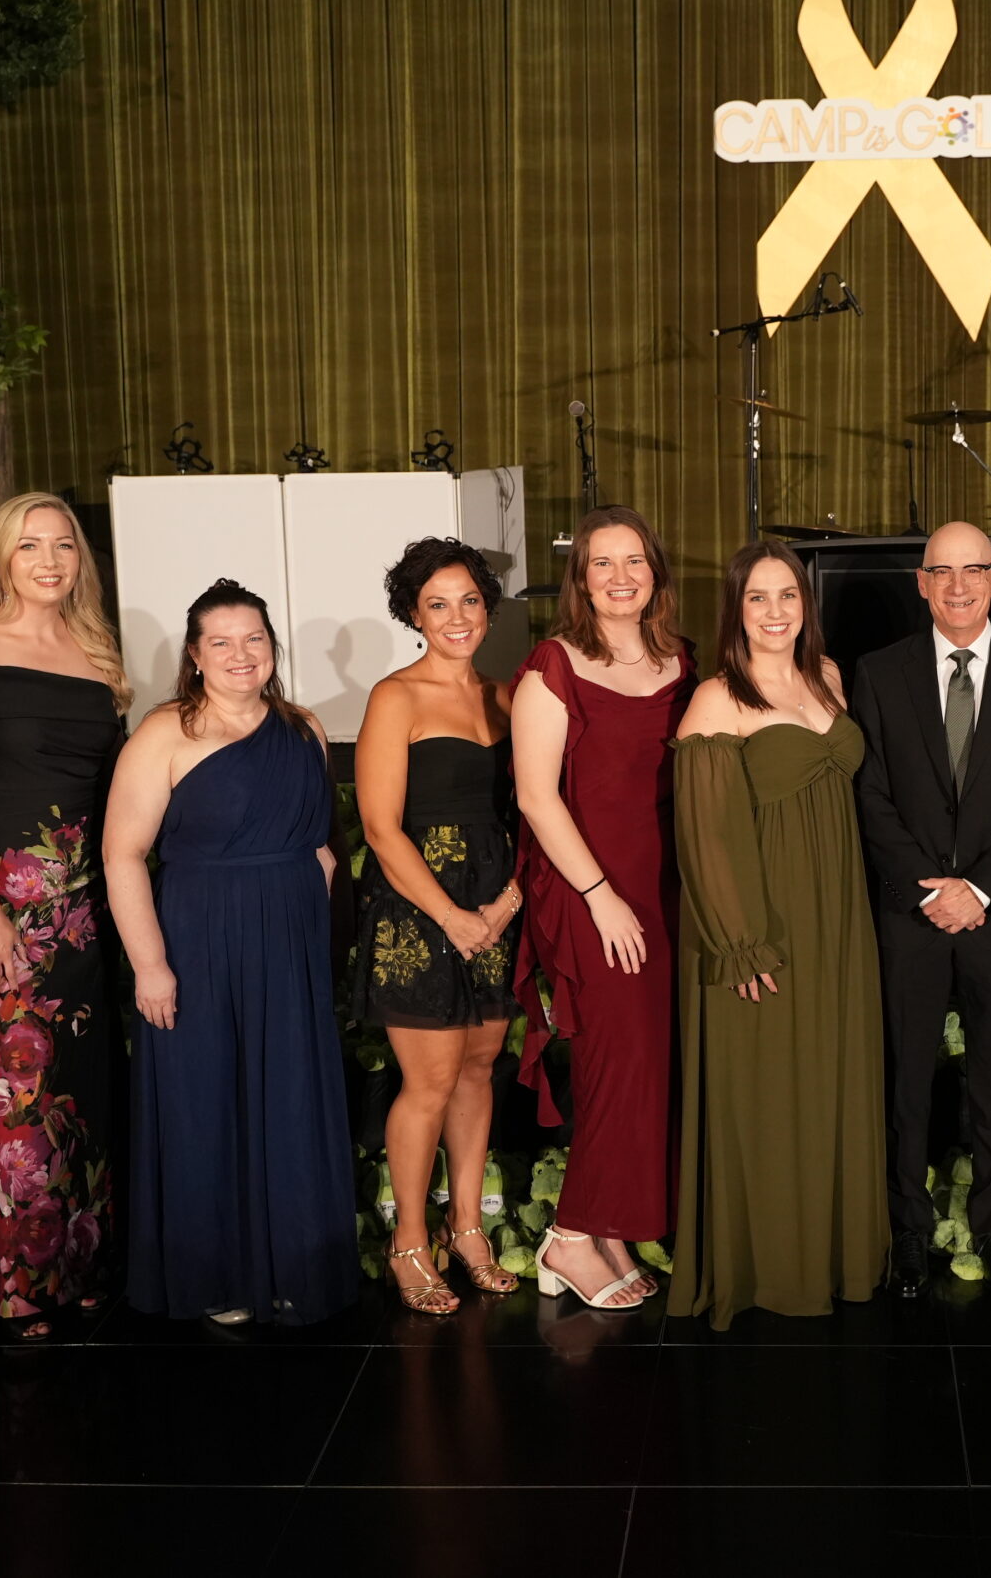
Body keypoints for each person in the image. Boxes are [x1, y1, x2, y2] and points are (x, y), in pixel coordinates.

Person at [103, 578, 356, 1327]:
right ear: (194, 654)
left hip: (289, 944)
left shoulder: (303, 726)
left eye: (254, 639)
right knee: (203, 1101)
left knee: (289, 1096)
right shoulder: (164, 733)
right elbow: (122, 854)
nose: (241, 655)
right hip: (199, 939)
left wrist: (316, 913)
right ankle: (216, 1274)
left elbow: (322, 840)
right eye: (222, 642)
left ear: (272, 647)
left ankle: (290, 1267)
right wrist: (151, 963)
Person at [0, 492, 129, 1337]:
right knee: (18, 1095)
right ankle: (21, 1287)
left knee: (79, 1091)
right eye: (29, 546)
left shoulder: (93, 650)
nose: (48, 561)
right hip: (5, 907)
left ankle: (82, 1262)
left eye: (64, 546)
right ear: (0, 559)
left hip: (86, 910)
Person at [670, 541, 887, 1329]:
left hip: (837, 913)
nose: (773, 611)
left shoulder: (826, 677)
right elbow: (704, 835)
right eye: (756, 597)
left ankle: (830, 1254)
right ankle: (766, 1267)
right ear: (736, 609)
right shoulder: (715, 699)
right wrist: (740, 940)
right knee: (764, 1089)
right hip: (761, 924)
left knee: (827, 1076)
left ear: (806, 602)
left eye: (786, 595)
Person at [851, 522, 991, 1299]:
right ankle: (906, 1230)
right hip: (909, 914)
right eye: (941, 572)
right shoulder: (876, 674)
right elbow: (870, 792)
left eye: (973, 569)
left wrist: (975, 889)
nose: (957, 585)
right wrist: (927, 884)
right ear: (920, 582)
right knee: (906, 1078)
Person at [513, 506, 694, 1310]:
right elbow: (536, 798)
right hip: (597, 894)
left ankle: (612, 1228)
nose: (620, 577)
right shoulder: (552, 665)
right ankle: (572, 1233)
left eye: (634, 562)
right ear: (580, 580)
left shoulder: (682, 662)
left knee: (654, 1063)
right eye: (602, 564)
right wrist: (600, 897)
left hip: (673, 891)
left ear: (655, 571)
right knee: (616, 1062)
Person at [353, 539, 525, 1316]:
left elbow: (531, 810)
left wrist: (508, 899)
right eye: (437, 604)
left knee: (478, 1071)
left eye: (469, 600)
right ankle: (410, 1242)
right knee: (426, 1081)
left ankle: (468, 1230)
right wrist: (452, 915)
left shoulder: (506, 696)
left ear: (487, 606)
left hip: (493, 906)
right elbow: (382, 829)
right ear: (413, 614)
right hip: (420, 908)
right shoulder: (396, 696)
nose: (457, 617)